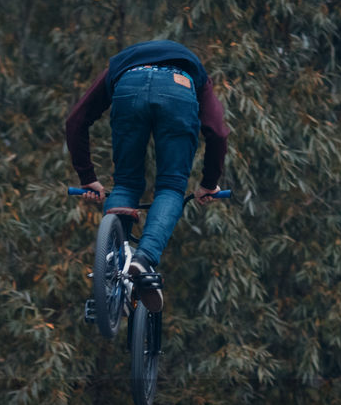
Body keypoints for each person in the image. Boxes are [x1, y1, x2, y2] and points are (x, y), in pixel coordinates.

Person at [65, 39, 230, 312]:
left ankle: (111, 270)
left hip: (128, 86)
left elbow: (75, 121)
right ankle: (144, 259)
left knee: (126, 183)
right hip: (179, 87)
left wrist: (87, 176)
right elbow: (217, 132)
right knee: (171, 187)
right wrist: (209, 183)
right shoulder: (195, 70)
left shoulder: (120, 65)